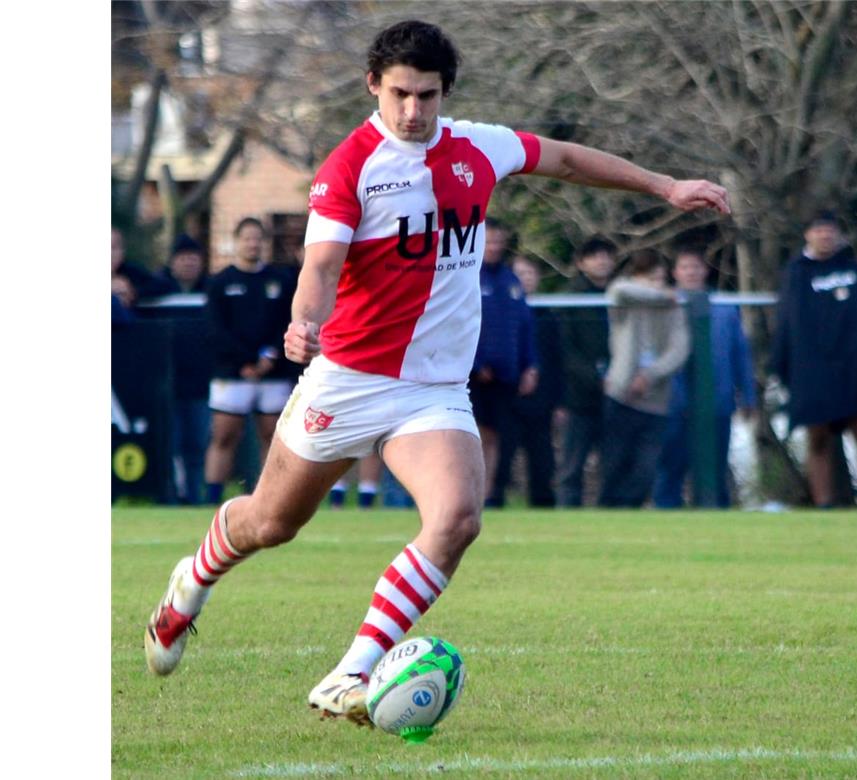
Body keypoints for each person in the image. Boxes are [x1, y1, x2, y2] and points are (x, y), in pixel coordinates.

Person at [142, 19, 729, 726]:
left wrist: (666, 186)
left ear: (445, 91)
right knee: (270, 523)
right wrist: (304, 321)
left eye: (427, 95)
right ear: (373, 86)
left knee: (456, 519)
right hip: (349, 380)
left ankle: (351, 673)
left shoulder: (478, 146)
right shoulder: (349, 167)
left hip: (435, 390)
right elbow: (320, 268)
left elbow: (567, 159)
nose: (413, 110)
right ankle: (190, 583)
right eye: (400, 94)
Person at [769, 213, 857, 509]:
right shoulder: (797, 274)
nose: (825, 236)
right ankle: (824, 503)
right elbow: (788, 325)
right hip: (815, 370)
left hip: (854, 369)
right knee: (818, 437)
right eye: (819, 230)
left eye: (830, 230)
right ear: (808, 235)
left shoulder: (854, 271)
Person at [200, 217, 299, 505]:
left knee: (273, 436)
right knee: (224, 436)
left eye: (257, 238)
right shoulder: (220, 282)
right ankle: (212, 498)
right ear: (236, 241)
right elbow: (215, 329)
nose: (252, 244)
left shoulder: (281, 281)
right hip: (232, 373)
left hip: (273, 373)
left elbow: (287, 321)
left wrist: (269, 357)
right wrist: (244, 361)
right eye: (247, 238)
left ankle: (270, 499)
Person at [652, 248, 757, 508]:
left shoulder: (725, 309)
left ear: (705, 271)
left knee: (714, 466)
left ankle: (715, 513)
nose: (691, 272)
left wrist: (748, 395)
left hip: (716, 402)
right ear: (675, 273)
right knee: (671, 465)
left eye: (696, 267)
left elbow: (740, 355)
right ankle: (666, 513)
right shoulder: (661, 308)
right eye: (685, 267)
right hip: (673, 404)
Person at [598, 250, 690, 507]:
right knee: (614, 463)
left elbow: (679, 350)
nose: (656, 283)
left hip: (656, 399)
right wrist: (661, 295)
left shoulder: (674, 308)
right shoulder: (625, 297)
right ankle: (607, 512)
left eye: (660, 278)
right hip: (620, 393)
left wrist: (649, 375)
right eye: (650, 278)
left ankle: (631, 511)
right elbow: (618, 289)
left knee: (646, 468)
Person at [472, 219, 539, 508]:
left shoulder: (511, 281)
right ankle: (469, 493)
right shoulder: (468, 276)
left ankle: (489, 494)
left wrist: (530, 365)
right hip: (474, 376)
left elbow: (525, 326)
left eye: (499, 241)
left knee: (498, 436)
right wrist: (477, 363)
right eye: (489, 241)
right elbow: (460, 324)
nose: (494, 246)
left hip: (507, 375)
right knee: (476, 434)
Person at [491, 255, 564, 507]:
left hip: (541, 402)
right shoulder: (498, 312)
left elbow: (557, 361)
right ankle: (493, 503)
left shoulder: (548, 316)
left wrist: (559, 401)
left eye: (531, 273)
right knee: (501, 456)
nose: (526, 279)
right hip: (506, 398)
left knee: (543, 460)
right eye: (521, 273)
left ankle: (544, 507)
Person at [556, 237, 618, 507]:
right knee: (573, 462)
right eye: (594, 256)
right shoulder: (571, 298)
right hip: (578, 396)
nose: (602, 261)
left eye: (606, 255)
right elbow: (566, 350)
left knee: (613, 461)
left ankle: (610, 511)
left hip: (616, 393)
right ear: (581, 263)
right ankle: (567, 509)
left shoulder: (620, 295)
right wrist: (595, 379)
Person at [162, 235, 216, 504]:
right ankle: (170, 497)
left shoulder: (212, 291)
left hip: (200, 385)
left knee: (197, 446)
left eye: (193, 258)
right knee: (169, 446)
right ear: (172, 261)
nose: (188, 263)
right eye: (182, 257)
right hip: (166, 386)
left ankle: (195, 498)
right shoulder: (156, 289)